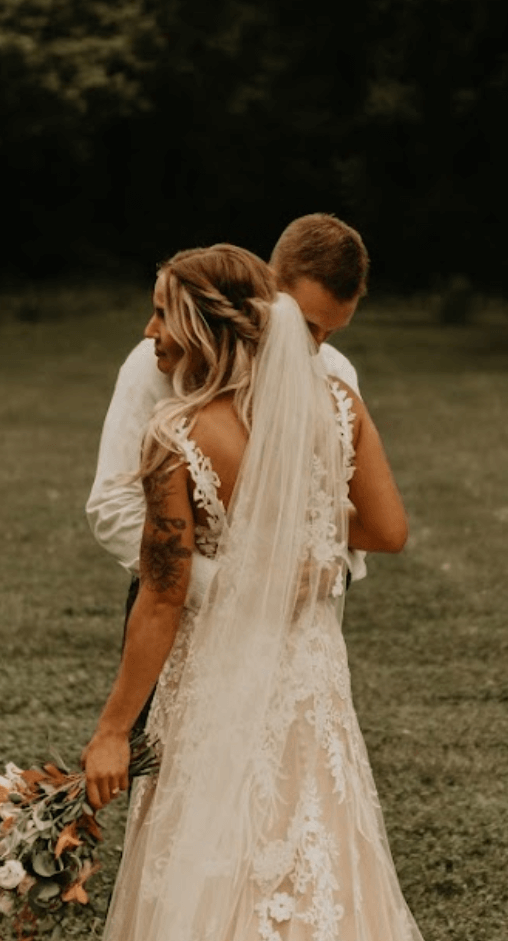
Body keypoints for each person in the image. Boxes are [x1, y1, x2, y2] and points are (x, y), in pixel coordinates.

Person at [80, 244, 449, 941]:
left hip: (215, 669)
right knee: (317, 846)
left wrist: (114, 728)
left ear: (204, 327)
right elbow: (387, 529)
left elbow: (162, 596)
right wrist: (296, 554)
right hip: (311, 673)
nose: (150, 331)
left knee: (208, 851)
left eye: (162, 314)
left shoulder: (175, 434)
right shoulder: (338, 405)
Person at [86, 214, 370, 631]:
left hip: (291, 626)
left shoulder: (334, 372)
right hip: (177, 612)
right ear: (268, 286)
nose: (315, 346)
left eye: (333, 331)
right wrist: (224, 587)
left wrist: (332, 567)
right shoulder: (156, 364)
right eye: (307, 325)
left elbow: (347, 503)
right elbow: (113, 505)